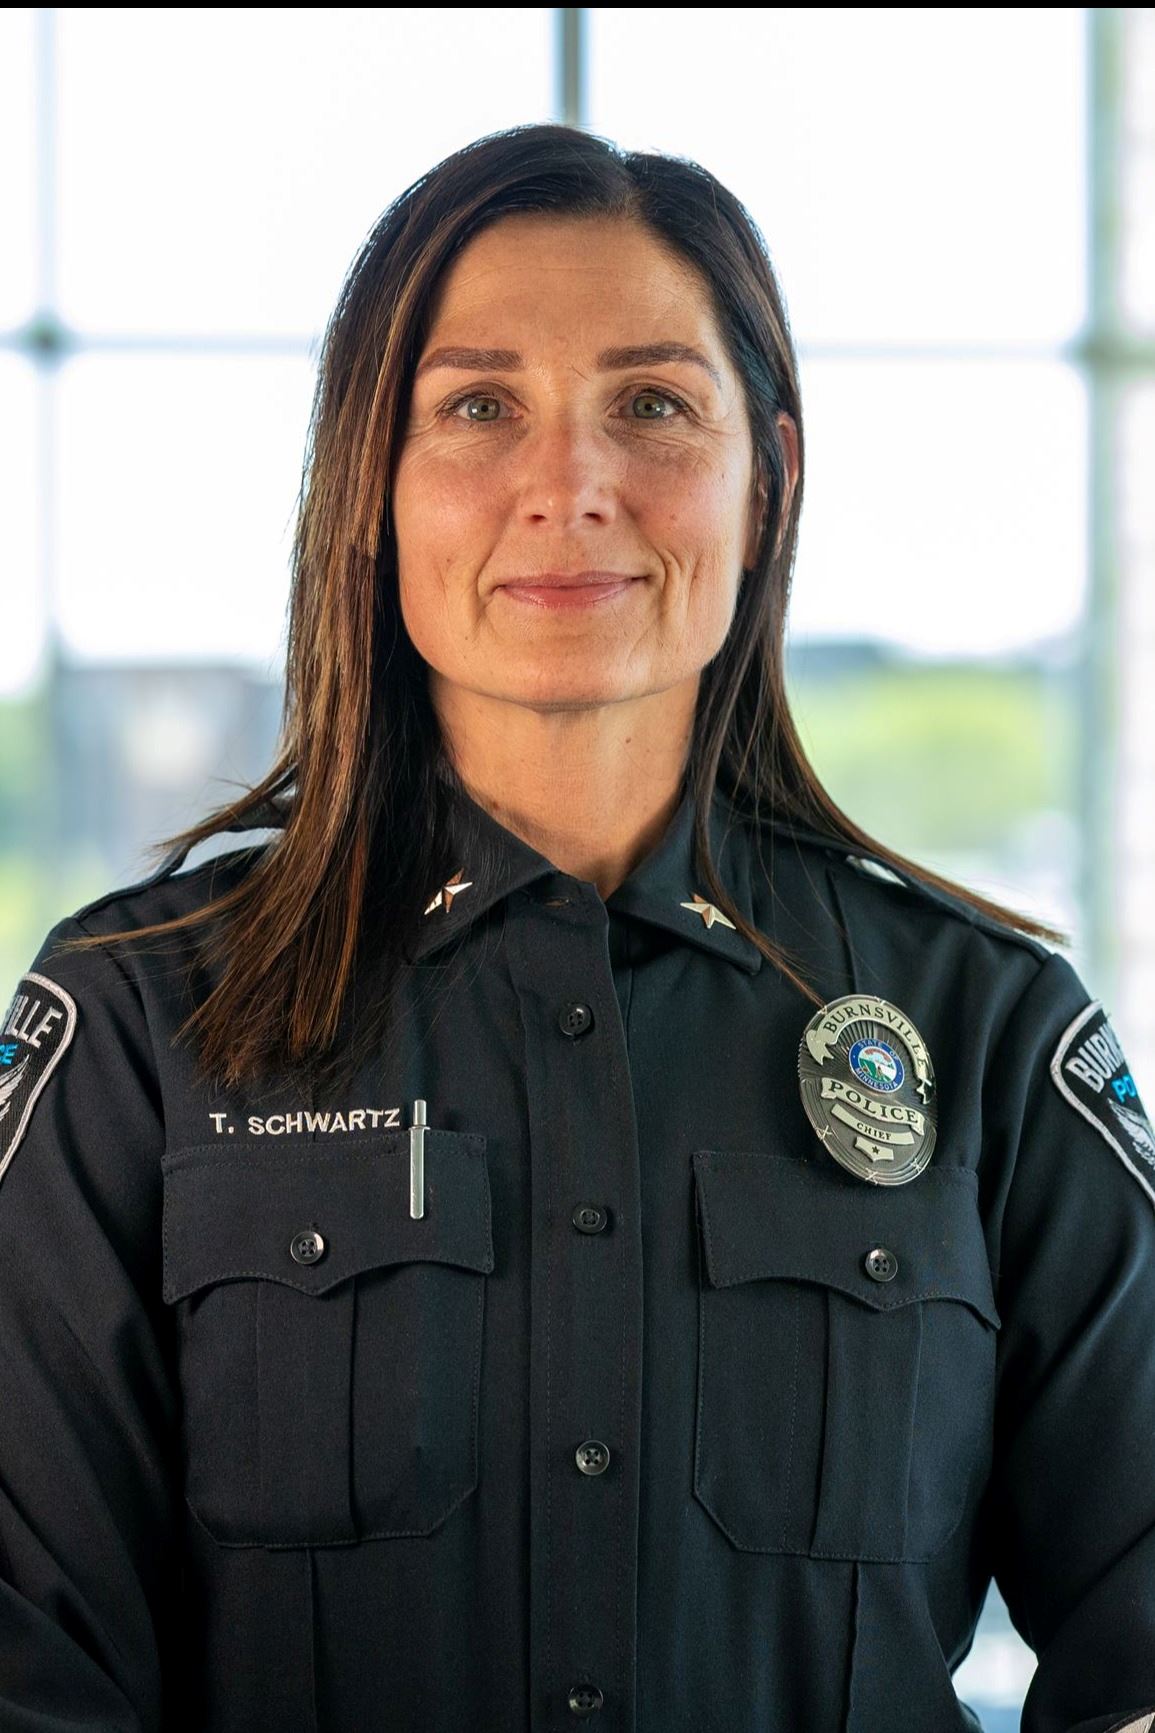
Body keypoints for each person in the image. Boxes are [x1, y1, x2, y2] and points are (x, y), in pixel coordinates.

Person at [1, 121, 1153, 1733]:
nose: (570, 486)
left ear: (774, 476)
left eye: (653, 406)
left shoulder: (991, 1031)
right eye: (478, 407)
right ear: (370, 483)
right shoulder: (135, 1024)